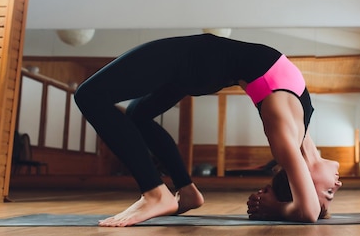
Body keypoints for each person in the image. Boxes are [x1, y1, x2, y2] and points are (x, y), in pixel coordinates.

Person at [73, 33, 342, 227]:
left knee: (90, 95)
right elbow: (310, 206)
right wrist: (285, 203)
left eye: (329, 192)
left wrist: (276, 208)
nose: (338, 184)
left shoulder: (286, 138)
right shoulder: (303, 131)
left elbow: (308, 211)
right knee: (138, 114)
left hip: (197, 60)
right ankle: (186, 191)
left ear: (303, 179)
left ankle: (155, 193)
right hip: (205, 67)